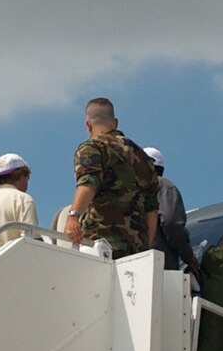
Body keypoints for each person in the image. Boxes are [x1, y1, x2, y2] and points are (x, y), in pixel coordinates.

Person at [64, 97, 160, 257]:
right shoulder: (144, 158)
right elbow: (152, 209)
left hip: (102, 242)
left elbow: (88, 184)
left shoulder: (93, 147)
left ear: (88, 124)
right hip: (137, 250)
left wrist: (73, 216)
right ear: (115, 123)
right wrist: (145, 247)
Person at [145, 146, 193, 274]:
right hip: (158, 267)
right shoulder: (163, 185)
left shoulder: (125, 189)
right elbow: (171, 223)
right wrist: (188, 257)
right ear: (161, 169)